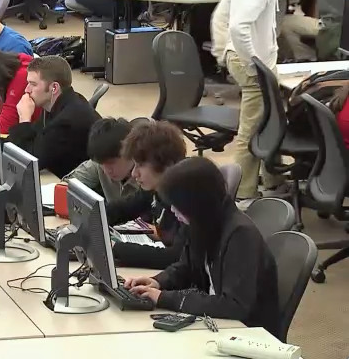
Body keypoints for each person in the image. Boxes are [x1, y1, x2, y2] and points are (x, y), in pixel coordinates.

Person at [124, 157, 280, 337]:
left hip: (245, 334)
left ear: (197, 203)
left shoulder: (240, 235)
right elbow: (186, 266)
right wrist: (158, 281)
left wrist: (164, 298)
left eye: (179, 205)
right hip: (217, 325)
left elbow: (234, 305)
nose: (173, 211)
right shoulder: (203, 221)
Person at [222, 0, 303, 201]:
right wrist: (256, 63)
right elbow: (238, 26)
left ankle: (271, 178)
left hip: (247, 57)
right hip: (251, 62)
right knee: (253, 129)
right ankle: (242, 194)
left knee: (270, 121)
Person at [105, 120, 188, 269]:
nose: (134, 173)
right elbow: (122, 209)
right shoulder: (156, 188)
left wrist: (114, 248)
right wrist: (89, 219)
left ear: (166, 164)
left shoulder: (189, 197)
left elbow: (176, 257)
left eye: (141, 165)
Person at [6, 56, 100, 178]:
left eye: (33, 84)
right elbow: (35, 138)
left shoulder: (67, 121)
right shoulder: (56, 104)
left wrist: (24, 118)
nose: (26, 90)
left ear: (54, 88)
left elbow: (29, 161)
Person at [64, 117, 139, 205]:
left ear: (129, 152)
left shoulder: (149, 175)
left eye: (111, 163)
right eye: (101, 164)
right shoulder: (100, 161)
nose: (106, 171)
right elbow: (68, 185)